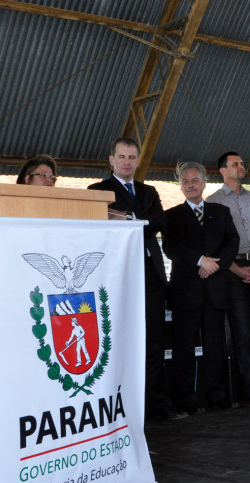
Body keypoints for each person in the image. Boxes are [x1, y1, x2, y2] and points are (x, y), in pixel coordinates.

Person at [88, 138, 184, 420]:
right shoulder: (97, 191)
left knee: (154, 341)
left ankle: (155, 403)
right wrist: (139, 220)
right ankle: (122, 407)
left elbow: (160, 222)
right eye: (121, 157)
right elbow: (106, 222)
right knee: (118, 340)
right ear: (111, 160)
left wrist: (127, 218)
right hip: (117, 275)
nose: (127, 162)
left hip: (150, 274)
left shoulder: (149, 190)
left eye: (132, 157)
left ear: (138, 160)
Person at [162, 161, 239, 413]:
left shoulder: (221, 211)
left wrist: (215, 265)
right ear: (180, 186)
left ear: (204, 183)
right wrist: (199, 260)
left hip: (215, 290)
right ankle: (186, 397)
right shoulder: (171, 216)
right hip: (186, 293)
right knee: (183, 347)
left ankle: (216, 394)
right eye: (185, 181)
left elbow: (232, 241)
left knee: (215, 345)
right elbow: (171, 248)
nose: (191, 185)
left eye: (195, 180)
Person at [206, 152, 250, 407]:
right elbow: (216, 246)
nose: (241, 167)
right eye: (235, 164)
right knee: (242, 332)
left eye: (242, 163)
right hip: (232, 271)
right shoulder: (213, 202)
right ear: (222, 171)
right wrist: (239, 271)